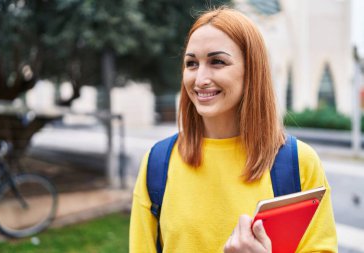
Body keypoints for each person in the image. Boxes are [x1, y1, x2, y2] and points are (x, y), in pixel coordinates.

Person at [129, 6, 337, 253]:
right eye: (192, 63)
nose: (200, 78)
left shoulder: (298, 163)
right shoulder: (157, 163)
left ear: (252, 71)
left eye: (217, 61)